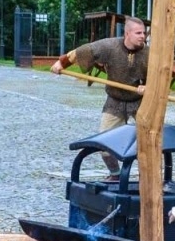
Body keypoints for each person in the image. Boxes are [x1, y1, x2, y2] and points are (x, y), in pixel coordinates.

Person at [50, 17, 149, 175]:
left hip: (140, 102)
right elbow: (83, 51)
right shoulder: (110, 46)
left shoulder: (149, 54)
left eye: (144, 33)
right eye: (138, 33)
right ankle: (116, 174)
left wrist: (149, 87)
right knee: (104, 143)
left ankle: (151, 177)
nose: (143, 36)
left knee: (150, 142)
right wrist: (61, 63)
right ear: (127, 33)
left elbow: (160, 77)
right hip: (115, 100)